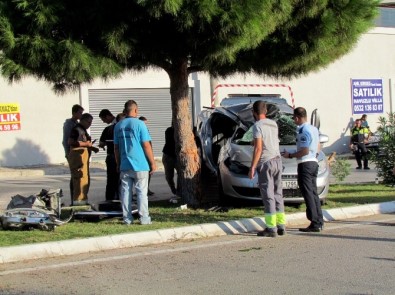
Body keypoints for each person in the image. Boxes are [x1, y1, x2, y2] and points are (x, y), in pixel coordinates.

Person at [114, 100, 157, 225]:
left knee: (125, 192)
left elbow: (116, 147)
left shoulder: (118, 126)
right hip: (140, 164)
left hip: (125, 164)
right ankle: (144, 218)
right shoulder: (140, 125)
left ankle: (127, 218)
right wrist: (152, 162)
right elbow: (146, 145)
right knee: (141, 192)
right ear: (135, 110)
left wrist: (118, 163)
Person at [282, 107, 324, 232]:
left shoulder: (302, 130)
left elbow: (304, 150)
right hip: (313, 162)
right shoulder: (314, 129)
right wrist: (313, 155)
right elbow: (317, 146)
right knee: (313, 192)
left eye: (294, 119)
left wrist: (290, 155)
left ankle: (314, 221)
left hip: (305, 164)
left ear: (297, 117)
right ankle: (319, 220)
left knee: (308, 193)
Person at [248, 101, 286, 238]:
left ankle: (271, 228)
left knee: (268, 196)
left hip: (266, 163)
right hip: (277, 160)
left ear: (254, 112)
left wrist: (252, 166)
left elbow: (258, 148)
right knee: (278, 194)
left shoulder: (257, 126)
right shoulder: (273, 124)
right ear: (266, 111)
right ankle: (281, 225)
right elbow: (269, 140)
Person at [68, 113, 99, 205]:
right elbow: (71, 142)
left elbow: (84, 143)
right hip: (77, 157)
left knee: (84, 179)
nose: (90, 124)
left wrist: (92, 148)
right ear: (83, 120)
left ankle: (83, 200)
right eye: (88, 122)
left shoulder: (83, 130)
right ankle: (78, 202)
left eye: (91, 122)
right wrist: (86, 144)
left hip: (84, 156)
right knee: (79, 178)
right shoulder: (77, 129)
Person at [62, 104, 84, 203]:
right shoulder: (69, 124)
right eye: (80, 113)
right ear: (74, 112)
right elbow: (66, 140)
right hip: (72, 153)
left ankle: (78, 197)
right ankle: (73, 199)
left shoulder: (77, 124)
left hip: (79, 153)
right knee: (74, 176)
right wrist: (68, 153)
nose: (81, 115)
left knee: (78, 176)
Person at [98, 109, 119, 200]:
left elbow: (102, 142)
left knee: (111, 179)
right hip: (122, 157)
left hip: (112, 156)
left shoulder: (109, 129)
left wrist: (103, 144)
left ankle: (111, 198)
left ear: (107, 116)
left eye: (103, 119)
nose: (103, 122)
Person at [139, 116, 155, 196]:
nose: (145, 125)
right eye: (144, 123)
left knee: (148, 173)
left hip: (147, 155)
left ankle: (147, 188)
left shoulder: (146, 130)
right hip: (143, 155)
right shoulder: (139, 130)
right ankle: (142, 190)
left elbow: (149, 143)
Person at [162, 124, 178, 198]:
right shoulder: (169, 131)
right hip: (168, 155)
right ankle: (173, 190)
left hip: (177, 156)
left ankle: (178, 190)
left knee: (181, 174)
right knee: (169, 176)